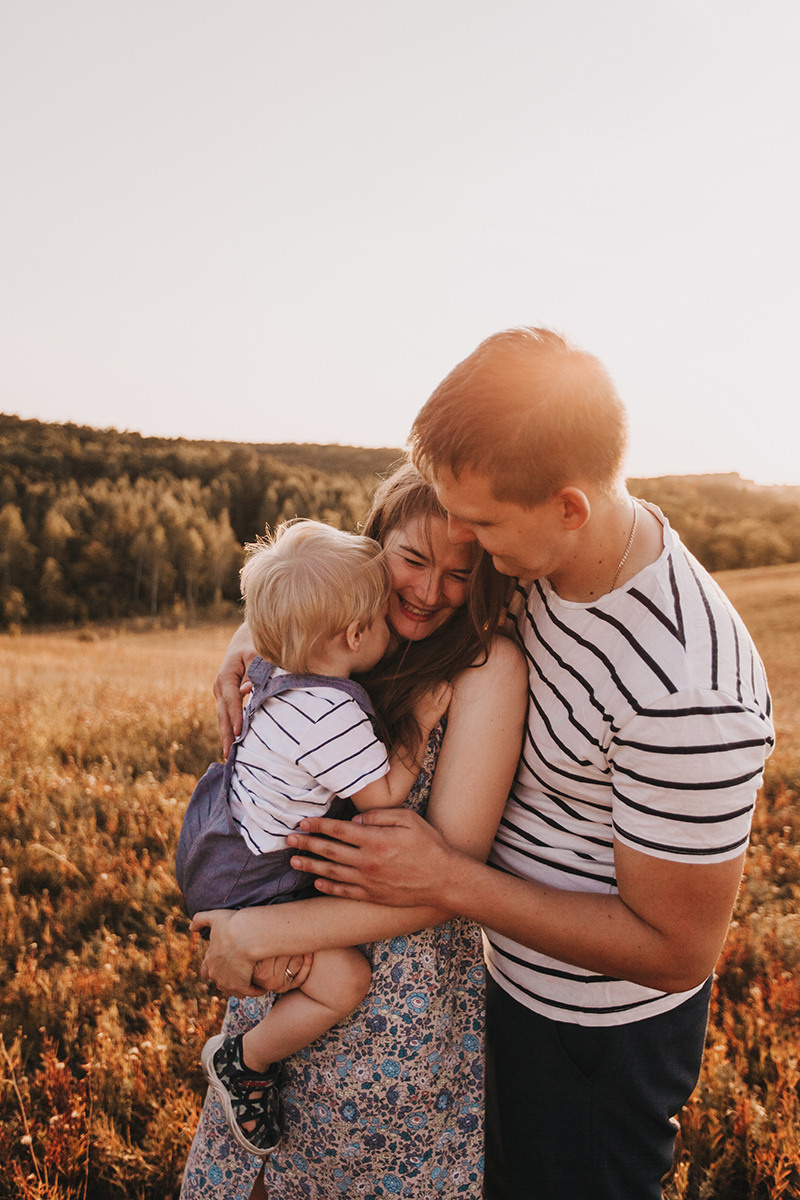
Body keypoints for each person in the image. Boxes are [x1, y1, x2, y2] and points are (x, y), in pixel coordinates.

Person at [282, 328, 775, 1200]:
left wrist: (447, 879)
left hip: (594, 1041)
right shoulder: (538, 558)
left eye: (479, 525)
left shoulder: (689, 688)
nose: (463, 542)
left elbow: (675, 950)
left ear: (569, 507)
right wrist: (259, 643)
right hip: (499, 984)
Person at [181, 463, 528, 1199]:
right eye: (412, 560)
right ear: (374, 546)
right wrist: (245, 636)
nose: (429, 591)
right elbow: (288, 592)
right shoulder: (340, 630)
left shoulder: (482, 668)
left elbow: (447, 883)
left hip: (391, 1017)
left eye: (460, 574)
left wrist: (256, 933)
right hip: (288, 968)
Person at [176, 520, 452, 1158]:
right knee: (344, 981)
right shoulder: (333, 713)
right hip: (254, 881)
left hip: (219, 841)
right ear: (354, 635)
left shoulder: (277, 662)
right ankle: (244, 1059)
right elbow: (382, 794)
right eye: (380, 620)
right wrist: (420, 721)